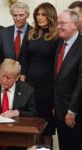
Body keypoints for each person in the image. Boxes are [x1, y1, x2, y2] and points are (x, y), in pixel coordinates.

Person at [22, 2, 58, 148]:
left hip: (47, 88)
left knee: (46, 129)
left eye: (43, 14)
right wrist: (23, 78)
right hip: (30, 87)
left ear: (50, 16)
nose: (40, 17)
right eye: (38, 14)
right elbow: (24, 58)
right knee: (31, 126)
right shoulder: (31, 33)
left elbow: (58, 64)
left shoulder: (57, 36)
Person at [54, 9, 82, 150]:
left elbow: (80, 83)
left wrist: (72, 110)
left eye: (62, 23)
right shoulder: (60, 43)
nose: (58, 26)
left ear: (74, 25)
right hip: (59, 109)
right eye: (58, 23)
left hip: (75, 112)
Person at [0, 1, 31, 77]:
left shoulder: (34, 33)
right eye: (15, 15)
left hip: (28, 78)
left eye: (21, 15)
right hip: (7, 78)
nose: (18, 18)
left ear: (27, 15)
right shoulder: (3, 33)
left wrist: (24, 74)